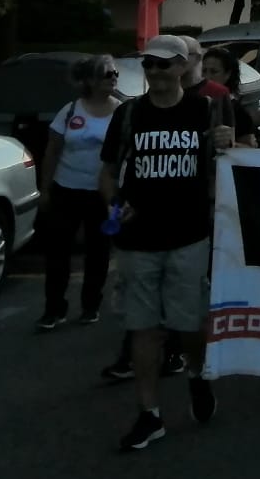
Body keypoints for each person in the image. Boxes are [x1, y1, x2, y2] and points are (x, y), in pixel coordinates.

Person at [99, 34, 231, 451]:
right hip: (138, 240)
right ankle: (149, 414)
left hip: (189, 236)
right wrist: (114, 206)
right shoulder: (129, 115)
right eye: (149, 64)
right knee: (144, 327)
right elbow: (107, 171)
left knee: (189, 325)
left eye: (162, 64)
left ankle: (196, 375)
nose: (154, 71)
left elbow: (229, 164)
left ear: (180, 67)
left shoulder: (203, 110)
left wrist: (232, 146)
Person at [36, 54, 120, 331]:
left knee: (98, 253)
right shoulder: (71, 110)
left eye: (115, 73)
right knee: (58, 252)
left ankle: (90, 306)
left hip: (100, 194)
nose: (114, 78)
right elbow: (52, 150)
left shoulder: (121, 112)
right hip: (66, 190)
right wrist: (45, 189)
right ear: (91, 81)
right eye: (108, 74)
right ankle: (53, 309)